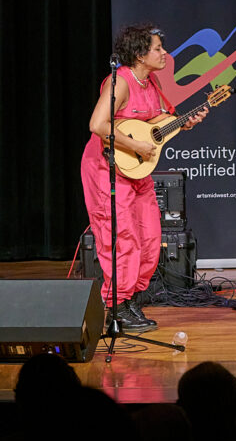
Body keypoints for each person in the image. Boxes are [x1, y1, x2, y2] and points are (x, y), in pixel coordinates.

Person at [80, 24, 206, 333]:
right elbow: (98, 124)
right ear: (139, 54)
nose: (165, 53)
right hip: (107, 168)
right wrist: (136, 145)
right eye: (158, 48)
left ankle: (134, 300)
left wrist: (184, 124)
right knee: (122, 238)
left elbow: (158, 124)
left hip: (138, 171)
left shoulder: (152, 83)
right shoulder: (120, 81)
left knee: (150, 238)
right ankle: (117, 307)